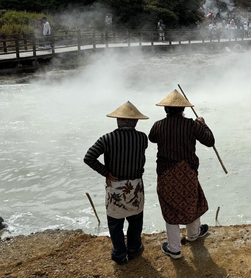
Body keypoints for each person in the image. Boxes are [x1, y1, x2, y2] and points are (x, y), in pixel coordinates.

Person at [149, 90, 215, 260]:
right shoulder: (192, 125)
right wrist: (203, 124)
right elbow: (210, 142)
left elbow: (152, 138)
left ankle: (174, 249)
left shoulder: (158, 125)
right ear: (183, 109)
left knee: (170, 208)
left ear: (166, 109)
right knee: (191, 200)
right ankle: (193, 234)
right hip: (188, 171)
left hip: (165, 173)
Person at [84, 101, 149, 265]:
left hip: (116, 187)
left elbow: (89, 157)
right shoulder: (142, 138)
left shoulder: (107, 138)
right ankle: (134, 249)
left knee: (115, 223)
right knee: (135, 221)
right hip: (135, 187)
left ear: (118, 121)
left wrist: (106, 172)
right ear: (135, 121)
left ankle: (120, 254)